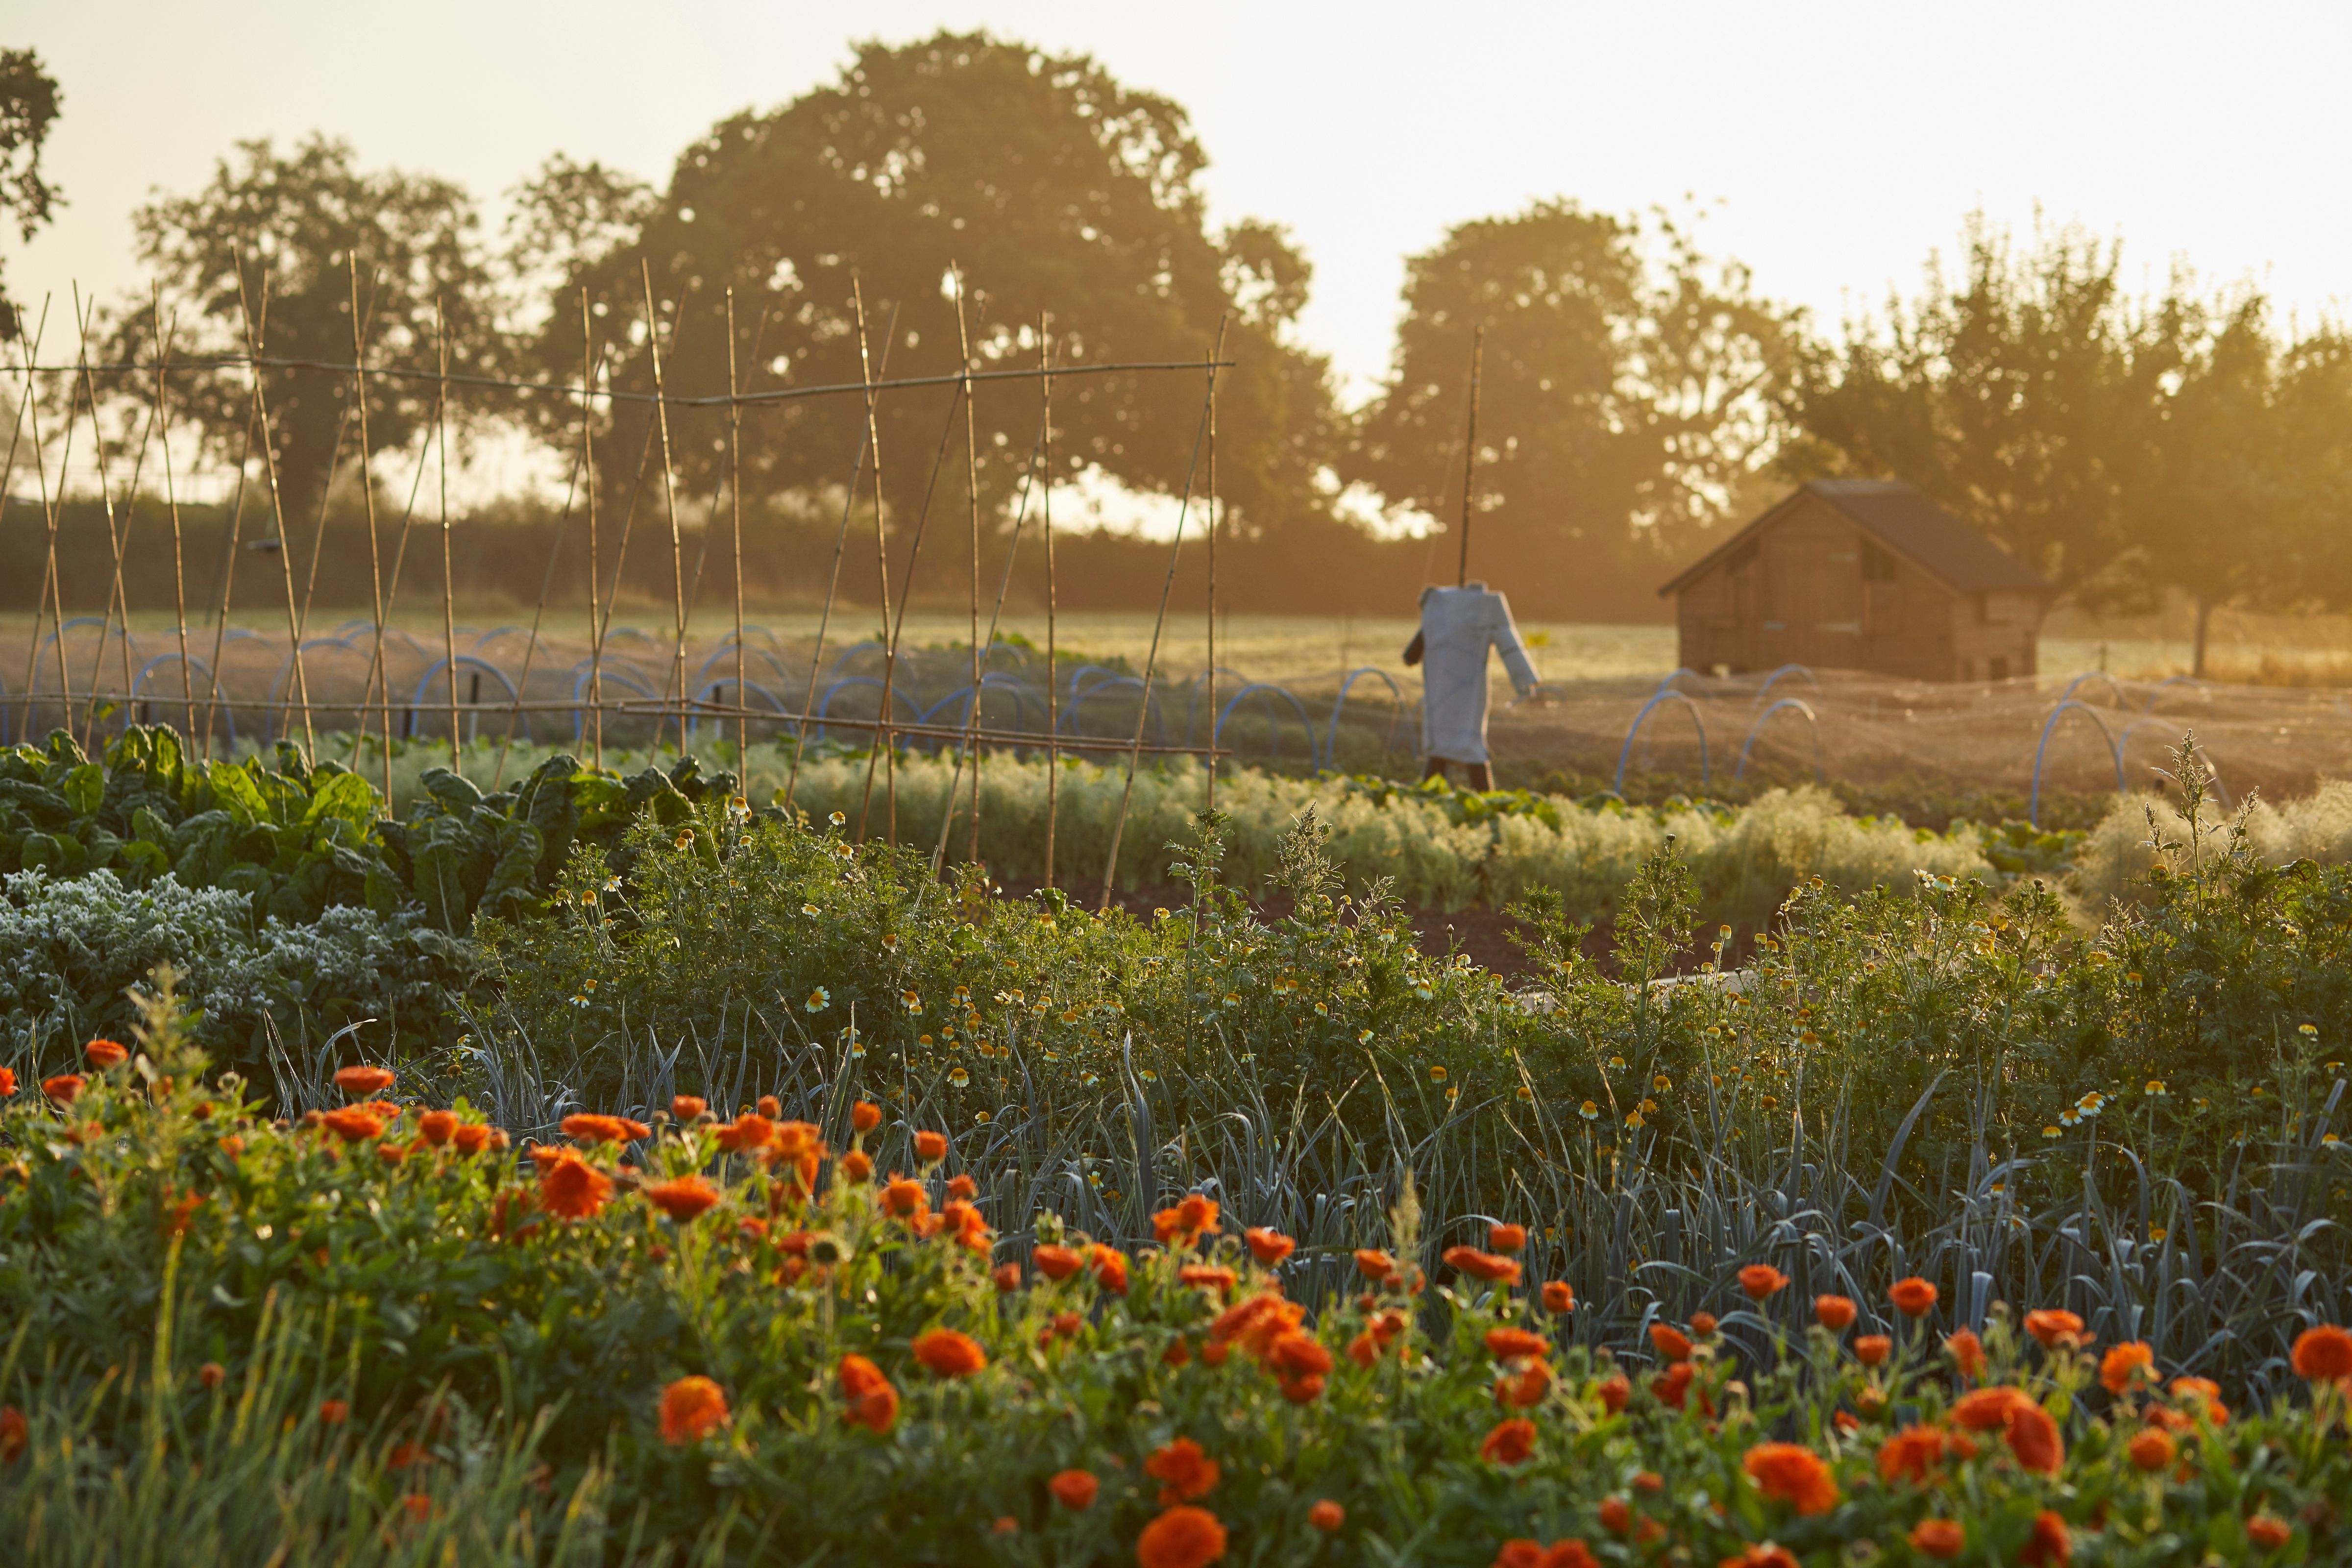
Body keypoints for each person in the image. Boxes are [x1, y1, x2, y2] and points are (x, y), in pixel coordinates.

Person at [1402, 581, 1538, 791]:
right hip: (1456, 694)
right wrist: (1525, 680)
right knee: (1463, 746)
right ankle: (1483, 803)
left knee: (1454, 746)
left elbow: (1411, 656)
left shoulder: (1441, 609)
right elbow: (1509, 642)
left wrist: (1524, 680)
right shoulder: (1476, 608)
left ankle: (1430, 799)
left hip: (1454, 693)